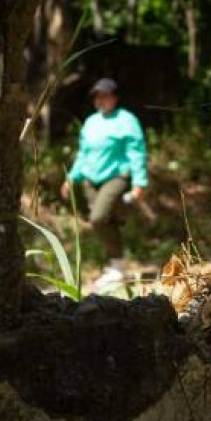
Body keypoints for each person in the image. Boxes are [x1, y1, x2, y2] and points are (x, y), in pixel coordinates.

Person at [61, 78, 148, 292]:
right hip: (91, 179)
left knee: (98, 218)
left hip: (116, 176)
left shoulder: (127, 120)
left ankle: (122, 211)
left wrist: (139, 182)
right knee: (103, 223)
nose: (101, 99)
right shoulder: (91, 122)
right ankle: (116, 267)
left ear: (115, 97)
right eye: (97, 95)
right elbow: (83, 153)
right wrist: (72, 177)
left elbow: (136, 152)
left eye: (105, 95)